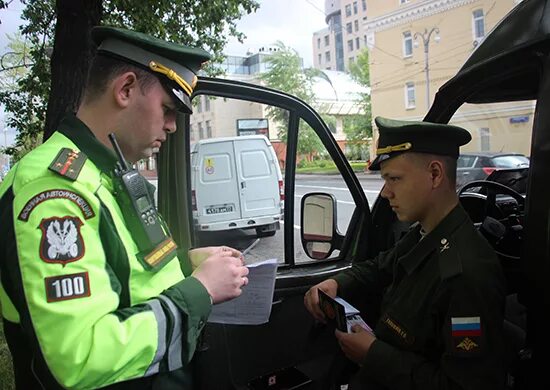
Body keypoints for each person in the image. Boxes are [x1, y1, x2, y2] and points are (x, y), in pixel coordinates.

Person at [0, 26, 250, 389]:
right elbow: (81, 355)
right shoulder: (54, 191)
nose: (172, 126)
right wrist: (200, 290)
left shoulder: (107, 172)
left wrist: (185, 262)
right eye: (168, 109)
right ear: (126, 89)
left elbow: (122, 272)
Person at [304, 117, 506, 389]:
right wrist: (337, 283)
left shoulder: (466, 274)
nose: (386, 192)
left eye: (394, 179)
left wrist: (373, 355)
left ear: (435, 174)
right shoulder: (425, 233)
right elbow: (381, 267)